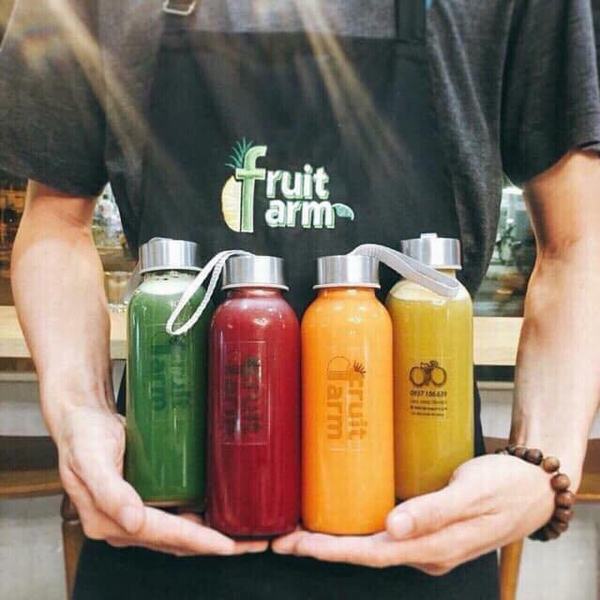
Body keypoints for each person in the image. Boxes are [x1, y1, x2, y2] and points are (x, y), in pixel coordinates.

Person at [2, 1, 600, 598]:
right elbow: (56, 223)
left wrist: (544, 463)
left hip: (426, 522)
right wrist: (79, 412)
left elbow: (578, 241)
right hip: (160, 504)